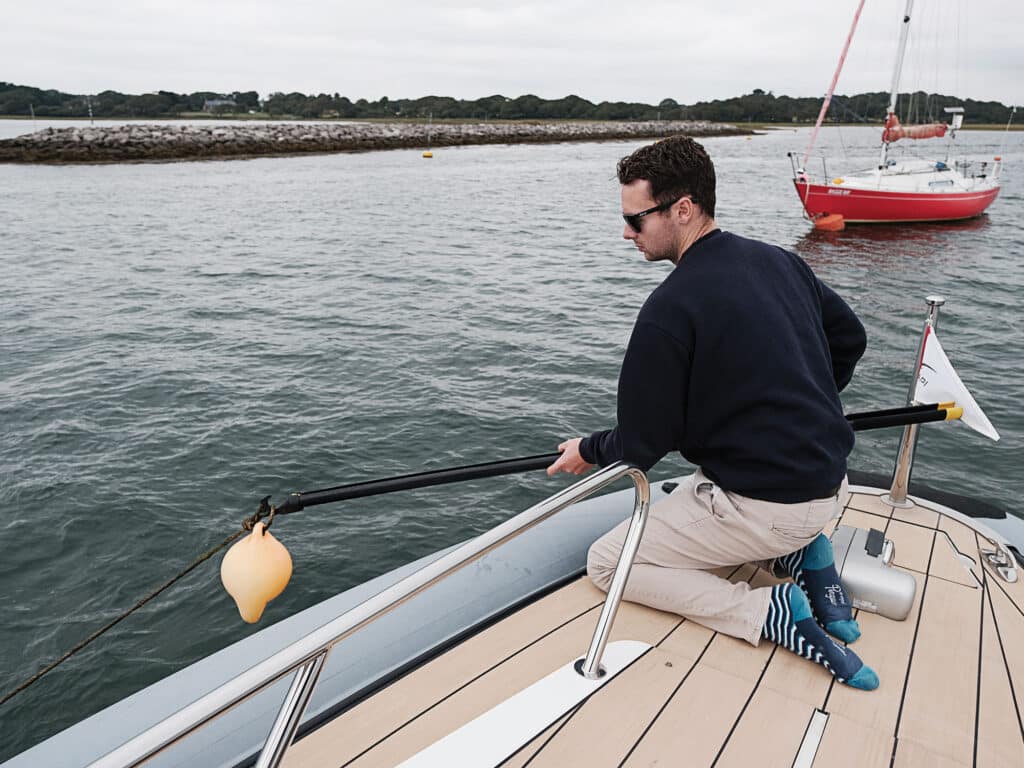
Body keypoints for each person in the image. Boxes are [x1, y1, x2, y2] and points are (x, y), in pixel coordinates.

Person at [547, 136, 877, 690]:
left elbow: (642, 445)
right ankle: (804, 551)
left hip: (764, 507)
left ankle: (765, 612)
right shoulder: (780, 262)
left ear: (683, 208)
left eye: (636, 219)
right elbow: (850, 338)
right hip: (828, 485)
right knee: (719, 494)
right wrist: (801, 398)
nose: (626, 232)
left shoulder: (670, 309)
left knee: (607, 563)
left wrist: (588, 449)